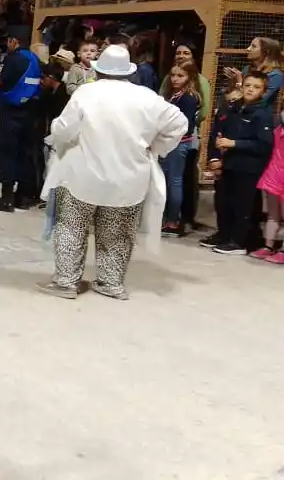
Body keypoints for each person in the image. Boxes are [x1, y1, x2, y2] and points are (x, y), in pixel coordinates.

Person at [38, 45, 187, 299]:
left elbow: (63, 129)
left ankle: (66, 283)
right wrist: (156, 147)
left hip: (82, 176)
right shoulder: (147, 97)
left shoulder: (87, 92)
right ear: (128, 72)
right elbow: (180, 123)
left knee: (72, 227)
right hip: (129, 179)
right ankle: (111, 283)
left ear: (99, 69)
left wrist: (58, 135)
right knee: (117, 232)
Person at [204, 72, 275, 255]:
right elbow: (220, 132)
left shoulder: (263, 113)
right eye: (248, 85)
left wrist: (234, 143)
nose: (251, 89)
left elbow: (263, 145)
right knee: (226, 203)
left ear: (264, 91)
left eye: (257, 87)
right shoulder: (235, 108)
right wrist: (216, 156)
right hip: (230, 164)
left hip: (249, 167)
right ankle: (225, 236)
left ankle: (239, 242)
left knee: (243, 205)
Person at [0, 26, 41, 211]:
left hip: (11, 112)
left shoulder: (13, 59)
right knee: (24, 153)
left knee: (6, 152)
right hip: (30, 112)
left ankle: (6, 197)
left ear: (14, 41)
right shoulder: (34, 59)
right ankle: (23, 197)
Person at [159, 62, 202, 237]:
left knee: (175, 182)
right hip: (167, 142)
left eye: (180, 75)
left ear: (190, 77)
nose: (175, 79)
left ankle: (173, 221)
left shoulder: (189, 98)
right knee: (165, 181)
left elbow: (187, 125)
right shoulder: (172, 95)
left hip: (179, 143)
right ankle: (165, 218)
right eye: (173, 75)